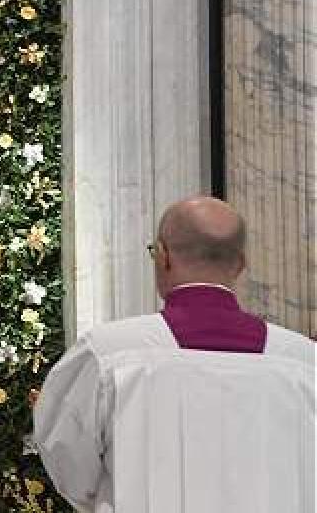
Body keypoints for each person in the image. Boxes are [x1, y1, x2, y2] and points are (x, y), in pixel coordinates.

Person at [34, 196, 314, 512]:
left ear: (163, 256)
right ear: (240, 264)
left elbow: (67, 460)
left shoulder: (108, 352)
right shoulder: (304, 361)